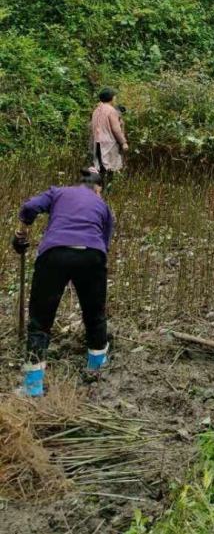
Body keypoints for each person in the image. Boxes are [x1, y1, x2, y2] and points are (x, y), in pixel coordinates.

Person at [12, 169, 114, 397]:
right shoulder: (103, 207)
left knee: (40, 321)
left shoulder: (58, 192)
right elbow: (104, 245)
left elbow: (29, 207)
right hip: (92, 255)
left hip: (54, 255)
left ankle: (32, 386)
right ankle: (96, 372)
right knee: (95, 314)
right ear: (98, 189)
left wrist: (20, 235)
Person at [90, 87, 128, 185]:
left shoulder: (96, 110)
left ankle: (98, 191)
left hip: (97, 142)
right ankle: (107, 190)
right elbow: (116, 129)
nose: (115, 99)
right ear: (111, 98)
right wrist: (123, 142)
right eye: (114, 97)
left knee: (100, 167)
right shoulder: (111, 111)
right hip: (108, 144)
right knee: (110, 168)